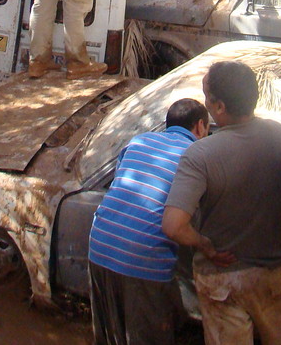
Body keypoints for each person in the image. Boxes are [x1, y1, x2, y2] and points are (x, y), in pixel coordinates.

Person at [163, 61, 281, 345]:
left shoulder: (199, 155)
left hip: (223, 279)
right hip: (275, 274)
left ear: (220, 107)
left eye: (206, 96)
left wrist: (205, 245)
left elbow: (174, 226)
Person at [89, 99, 210, 345]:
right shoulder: (196, 156)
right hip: (143, 259)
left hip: (99, 246)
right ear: (200, 126)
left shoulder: (139, 141)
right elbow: (184, 222)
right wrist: (207, 245)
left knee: (110, 336)